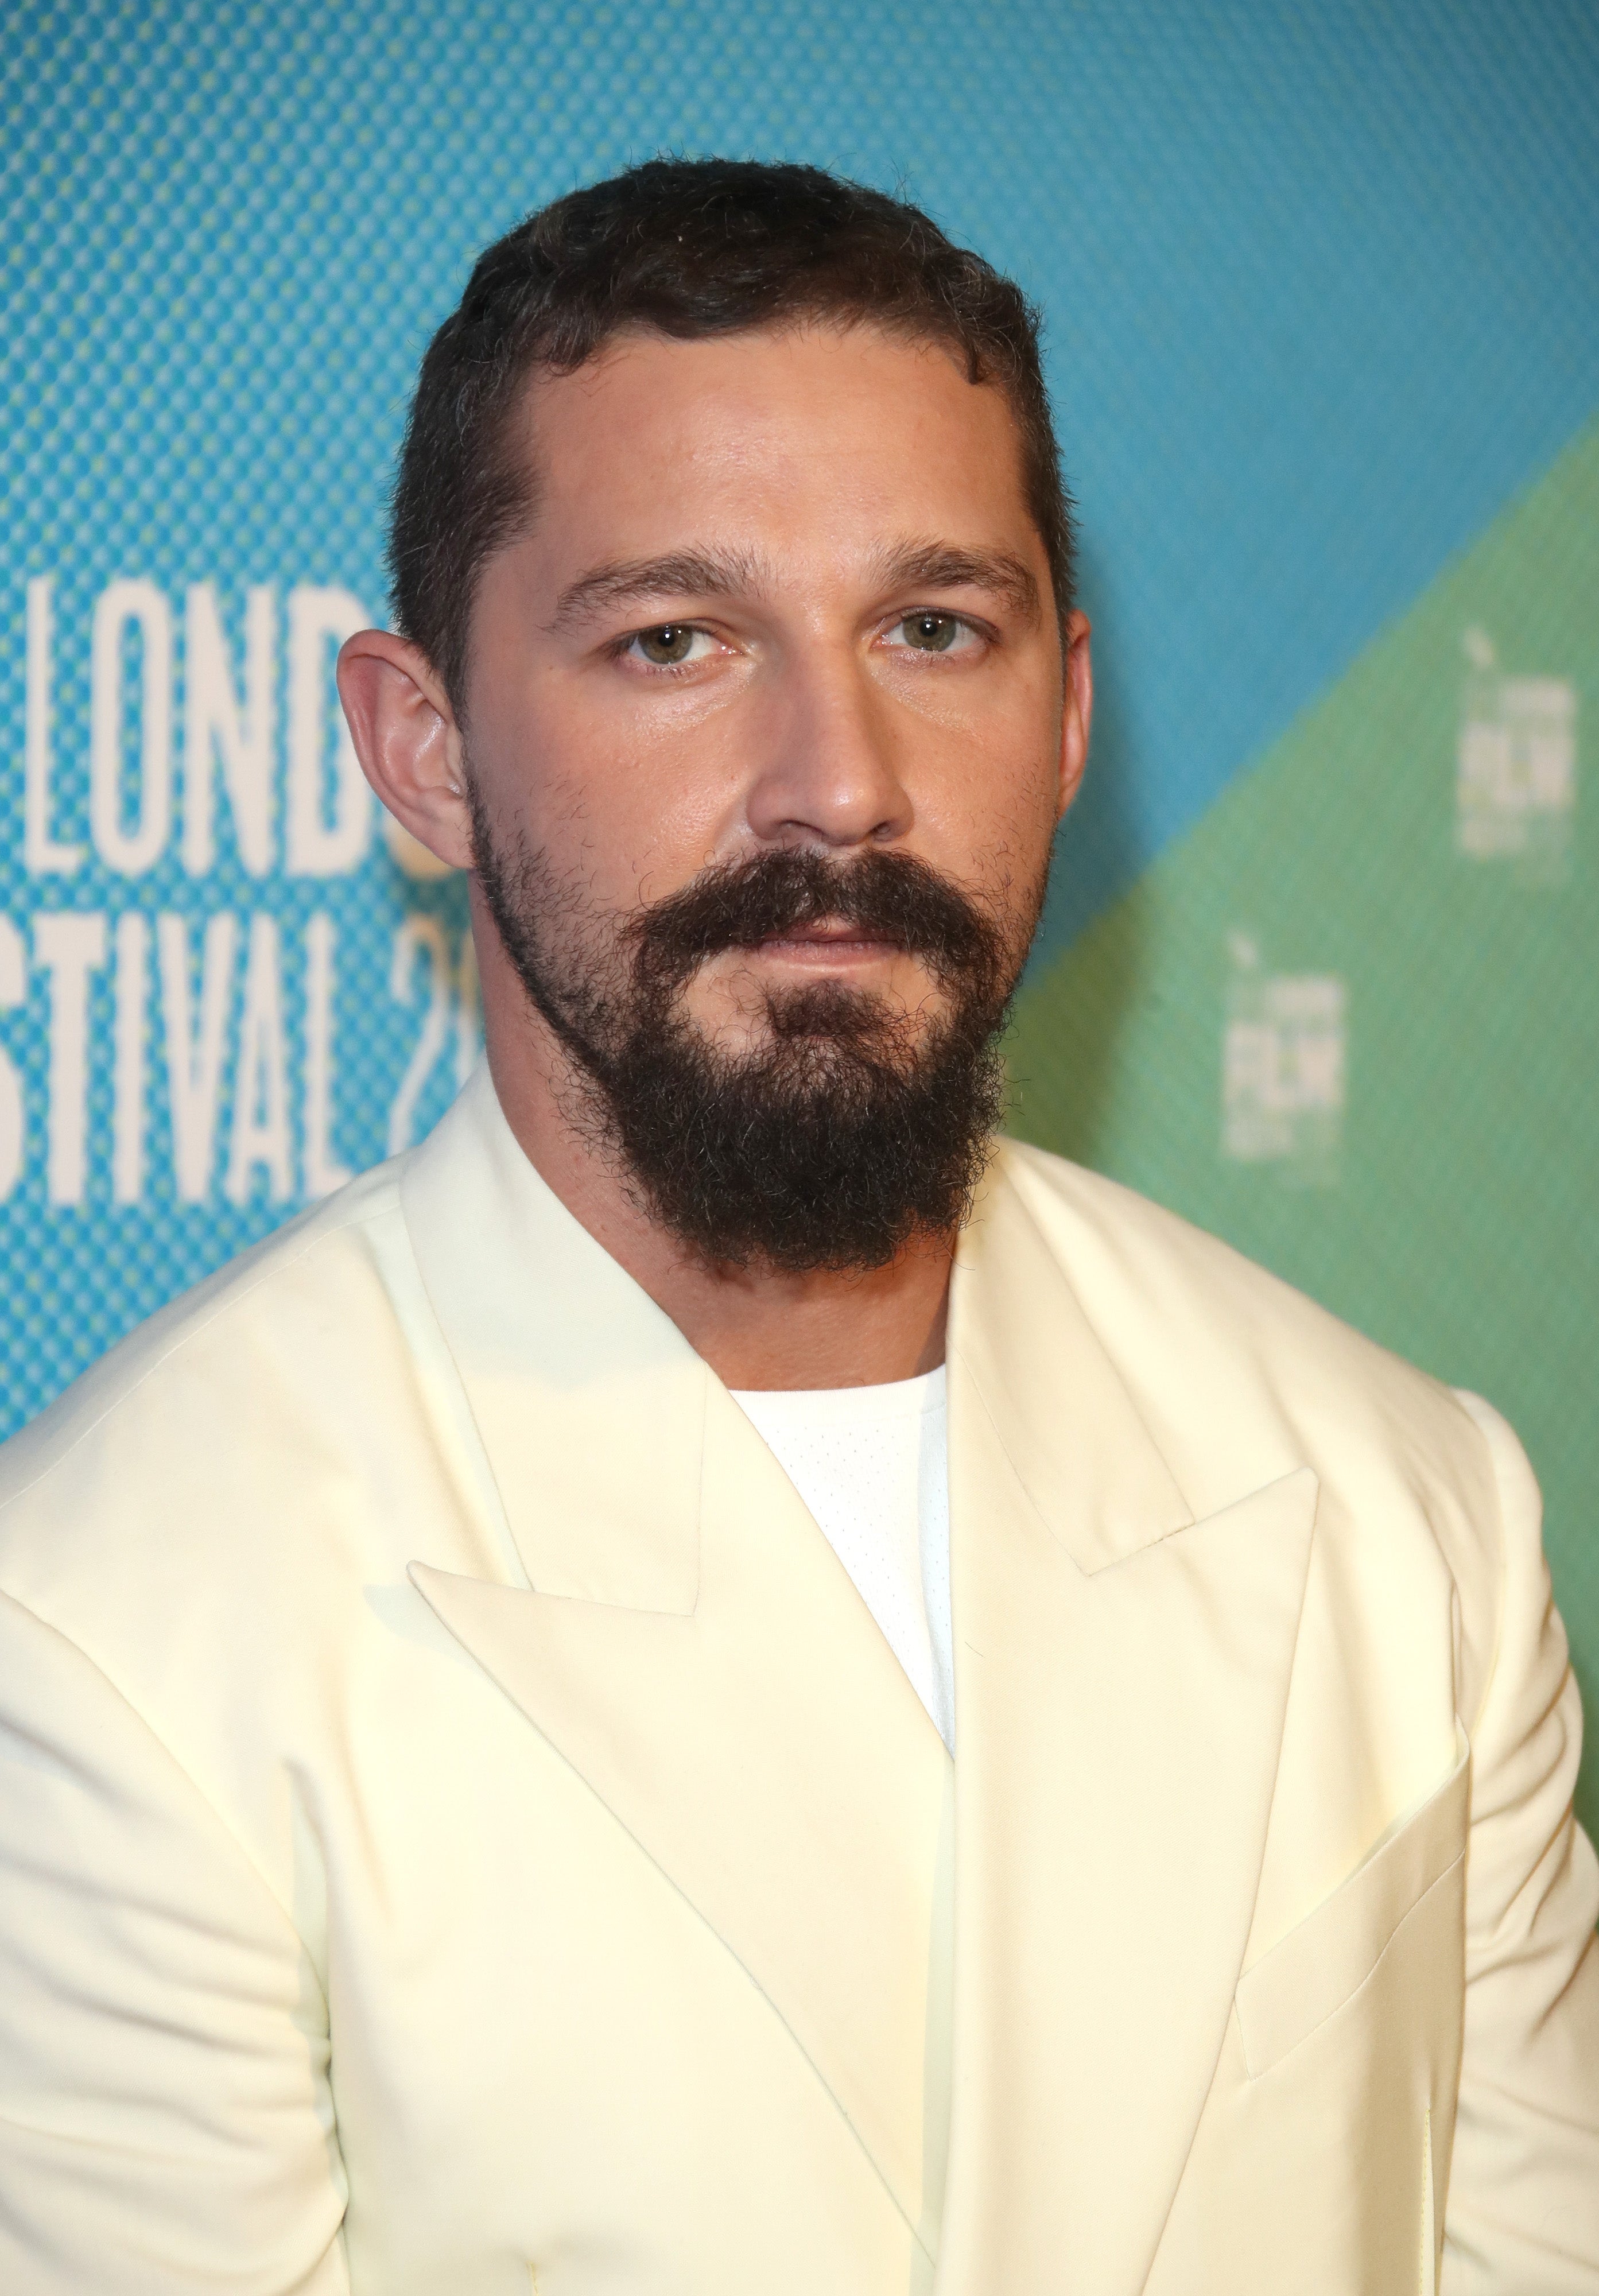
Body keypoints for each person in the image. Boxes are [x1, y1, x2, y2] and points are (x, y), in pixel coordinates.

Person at [0, 157, 1594, 2296]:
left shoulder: (1415, 1518)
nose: (837, 781)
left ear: (1068, 717)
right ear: (426, 751)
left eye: (933, 631)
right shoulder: (108, 1631)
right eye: (674, 640)